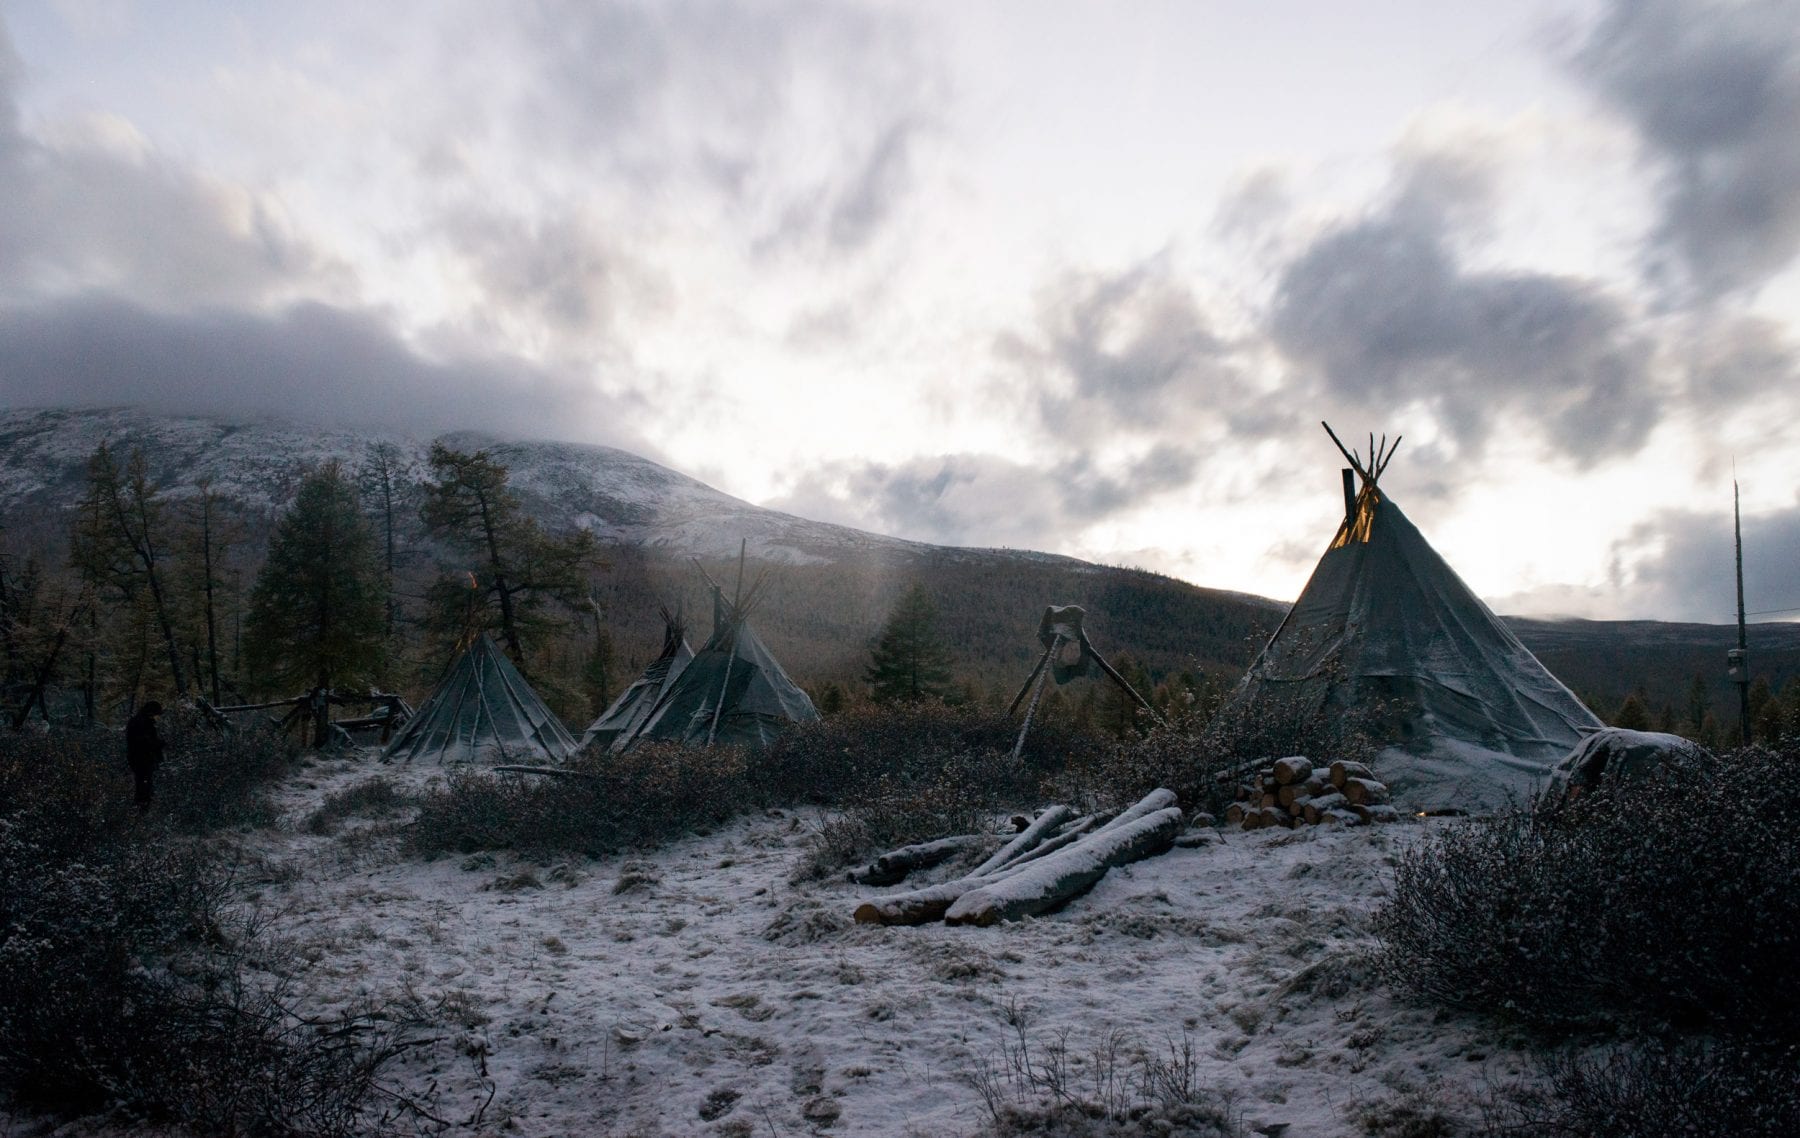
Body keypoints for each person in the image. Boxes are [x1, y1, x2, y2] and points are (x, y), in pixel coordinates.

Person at [125, 700, 166, 812]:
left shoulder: (139, 721)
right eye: (157, 714)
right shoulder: (142, 722)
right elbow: (144, 742)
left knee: (143, 786)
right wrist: (159, 744)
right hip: (142, 759)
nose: (157, 717)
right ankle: (141, 812)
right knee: (143, 787)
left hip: (139, 759)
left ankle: (141, 811)